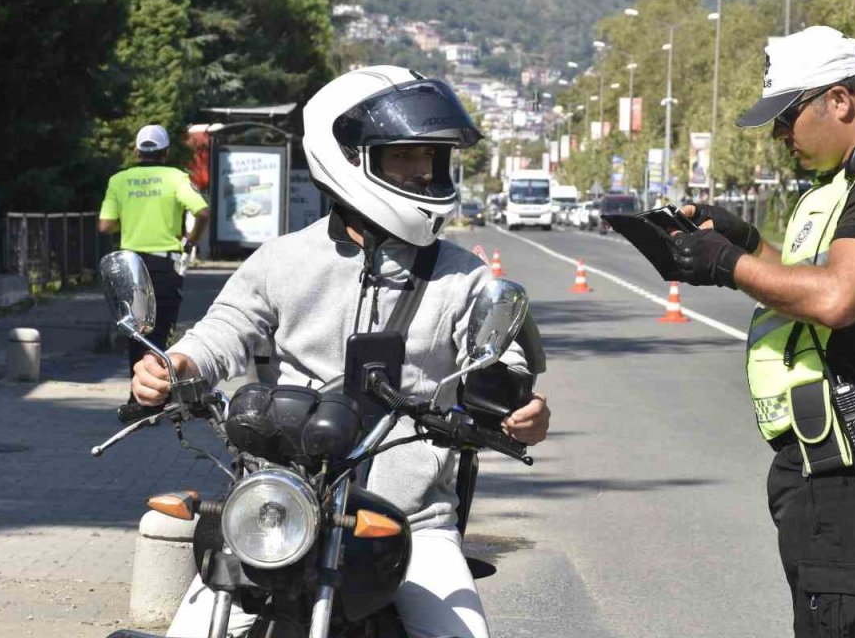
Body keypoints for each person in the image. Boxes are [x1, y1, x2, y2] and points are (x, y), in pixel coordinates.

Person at [129, 66, 551, 638]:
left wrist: (519, 408)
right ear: (348, 158)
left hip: (410, 519)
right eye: (403, 157)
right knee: (193, 630)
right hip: (281, 508)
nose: (423, 170)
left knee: (462, 635)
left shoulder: (465, 278)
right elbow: (222, 333)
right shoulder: (282, 261)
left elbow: (506, 365)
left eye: (430, 157)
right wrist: (172, 368)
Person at [668, 26, 855, 637]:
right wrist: (744, 243)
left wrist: (727, 264)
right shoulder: (843, 184)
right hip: (826, 455)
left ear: (840, 101)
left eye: (786, 116)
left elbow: (836, 298)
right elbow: (810, 278)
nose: (778, 135)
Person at [99, 125, 210, 410]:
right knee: (160, 332)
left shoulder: (118, 180)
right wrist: (191, 238)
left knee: (135, 331)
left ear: (137, 151)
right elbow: (203, 211)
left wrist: (131, 219)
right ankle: (155, 397)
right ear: (166, 153)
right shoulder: (175, 177)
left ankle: (137, 395)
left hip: (130, 266)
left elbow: (105, 225)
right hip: (163, 264)